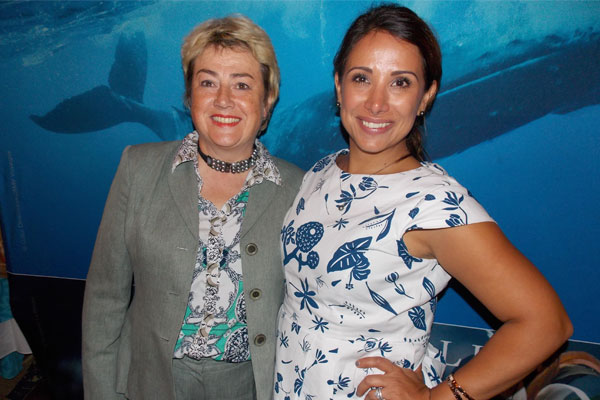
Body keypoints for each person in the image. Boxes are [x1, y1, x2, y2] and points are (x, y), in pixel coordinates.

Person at [274, 4, 572, 400]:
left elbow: (546, 323)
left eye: (400, 83)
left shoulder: (434, 204)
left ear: (426, 96)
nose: (376, 103)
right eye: (362, 78)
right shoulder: (322, 170)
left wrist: (441, 396)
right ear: (339, 86)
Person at [82, 15, 303, 400]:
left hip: (249, 387)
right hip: (151, 383)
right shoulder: (137, 168)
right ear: (189, 96)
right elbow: (105, 298)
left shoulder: (299, 188)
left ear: (267, 100)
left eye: (242, 84)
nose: (223, 99)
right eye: (208, 82)